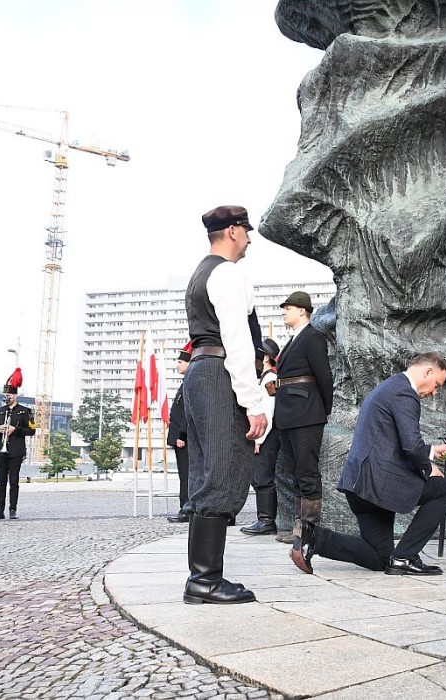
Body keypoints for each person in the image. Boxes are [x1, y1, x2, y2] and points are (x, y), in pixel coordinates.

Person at [291, 352, 446, 576]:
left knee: (381, 558)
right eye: (436, 384)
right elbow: (410, 444)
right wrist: (429, 468)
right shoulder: (405, 393)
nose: (434, 392)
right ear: (427, 371)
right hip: (379, 484)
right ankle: (405, 557)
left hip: (361, 485)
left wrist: (429, 450)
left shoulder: (389, 386)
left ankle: (314, 536)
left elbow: (388, 439)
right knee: (444, 491)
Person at [181, 205, 267, 605]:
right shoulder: (228, 273)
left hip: (201, 373)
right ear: (232, 231)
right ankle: (204, 580)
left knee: (206, 471)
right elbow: (237, 341)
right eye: (246, 231)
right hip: (219, 374)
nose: (249, 239)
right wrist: (254, 403)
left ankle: (203, 577)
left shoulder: (200, 272)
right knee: (223, 469)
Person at [273, 291, 334, 561]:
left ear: (302, 310)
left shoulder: (312, 337)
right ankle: (300, 527)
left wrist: (324, 410)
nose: (284, 312)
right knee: (296, 472)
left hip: (307, 414)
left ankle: (308, 531)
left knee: (307, 473)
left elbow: (324, 376)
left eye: (288, 308)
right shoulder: (293, 341)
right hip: (288, 414)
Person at [241, 338, 282, 535]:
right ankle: (264, 519)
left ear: (266, 358)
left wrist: (259, 439)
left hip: (267, 435)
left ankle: (266, 521)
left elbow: (269, 411)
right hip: (268, 435)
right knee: (261, 477)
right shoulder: (266, 377)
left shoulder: (268, 379)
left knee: (262, 477)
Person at [0, 368, 36, 520]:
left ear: (15, 395)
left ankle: (13, 509)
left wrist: (15, 430)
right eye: (5, 395)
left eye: (9, 395)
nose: (6, 397)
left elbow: (31, 430)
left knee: (13, 482)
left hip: (16, 450)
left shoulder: (25, 411)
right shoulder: (0, 411)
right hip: (0, 450)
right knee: (1, 482)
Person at [166, 342, 192, 523]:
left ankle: (186, 509)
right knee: (183, 475)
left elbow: (187, 412)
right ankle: (185, 506)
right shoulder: (185, 382)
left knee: (187, 475)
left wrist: (183, 435)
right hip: (178, 437)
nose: (178, 365)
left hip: (184, 438)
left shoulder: (190, 382)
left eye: (180, 362)